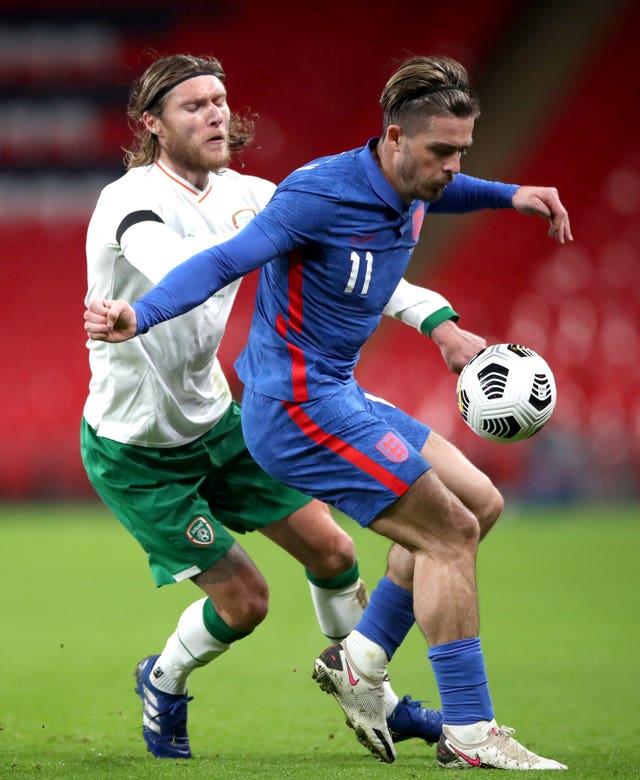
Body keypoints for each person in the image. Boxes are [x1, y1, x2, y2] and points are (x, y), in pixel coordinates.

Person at [84, 55, 572, 770]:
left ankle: (362, 665)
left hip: (220, 419)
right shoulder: (131, 202)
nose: (216, 113)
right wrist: (143, 311)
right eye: (195, 105)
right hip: (140, 444)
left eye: (221, 99)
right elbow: (198, 261)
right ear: (152, 124)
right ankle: (165, 680)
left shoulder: (260, 193)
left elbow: (357, 252)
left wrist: (442, 308)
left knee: (379, 539)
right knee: (251, 601)